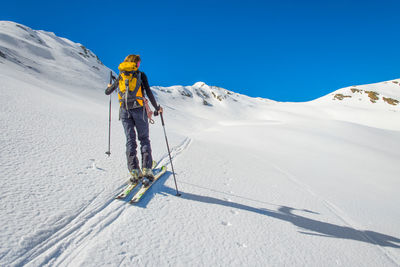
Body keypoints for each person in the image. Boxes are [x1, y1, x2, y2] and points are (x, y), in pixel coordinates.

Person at [105, 54, 163, 184]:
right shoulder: (140, 75)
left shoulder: (121, 75)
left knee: (130, 139)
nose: (139, 65)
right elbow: (148, 92)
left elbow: (107, 92)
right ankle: (147, 169)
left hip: (124, 111)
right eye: (138, 63)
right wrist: (157, 107)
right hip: (139, 110)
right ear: (136, 63)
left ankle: (134, 171)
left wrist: (109, 86)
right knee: (144, 139)